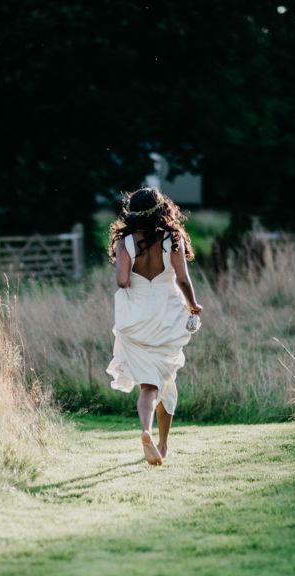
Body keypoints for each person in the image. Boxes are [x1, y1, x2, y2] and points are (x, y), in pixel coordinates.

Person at [106, 187, 202, 466]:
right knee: (167, 380)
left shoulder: (125, 242)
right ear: (162, 209)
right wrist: (194, 305)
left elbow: (122, 281)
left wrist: (127, 262)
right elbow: (183, 279)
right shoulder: (173, 238)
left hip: (136, 321)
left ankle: (147, 431)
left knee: (149, 386)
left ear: (132, 213)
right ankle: (162, 443)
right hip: (167, 318)